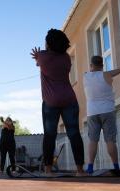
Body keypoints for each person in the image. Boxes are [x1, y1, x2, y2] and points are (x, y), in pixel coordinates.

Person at [31, 29, 85, 176]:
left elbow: (39, 63)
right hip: (69, 99)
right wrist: (39, 57)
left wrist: (37, 57)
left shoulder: (43, 57)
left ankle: (48, 170)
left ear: (48, 43)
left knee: (50, 135)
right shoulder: (66, 58)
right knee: (74, 134)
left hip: (51, 101)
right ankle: (80, 170)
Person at [83, 56, 120, 176]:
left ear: (91, 65)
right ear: (102, 65)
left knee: (93, 140)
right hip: (107, 111)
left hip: (92, 113)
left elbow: (99, 72)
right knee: (110, 140)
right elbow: (110, 73)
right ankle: (116, 167)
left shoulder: (85, 76)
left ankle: (90, 167)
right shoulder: (106, 75)